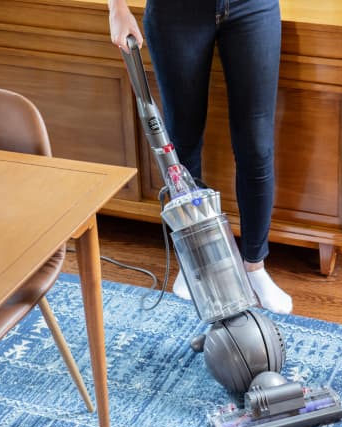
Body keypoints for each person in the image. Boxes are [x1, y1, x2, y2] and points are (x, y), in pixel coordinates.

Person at [108, 0, 292, 314]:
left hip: (252, 8)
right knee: (182, 146)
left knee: (257, 147)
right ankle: (194, 266)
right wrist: (118, 9)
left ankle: (254, 268)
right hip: (176, 12)